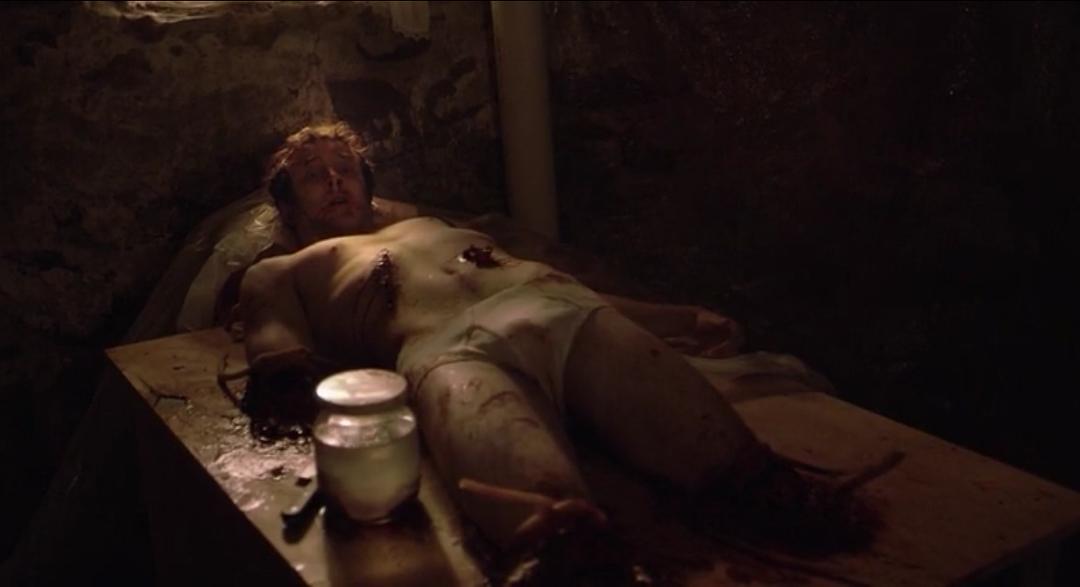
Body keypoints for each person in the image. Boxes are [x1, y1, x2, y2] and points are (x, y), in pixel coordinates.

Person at [235, 215, 879, 576]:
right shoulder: (283, 268)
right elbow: (279, 362)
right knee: (556, 534)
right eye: (314, 173)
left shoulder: (435, 223)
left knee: (745, 475)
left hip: (551, 302)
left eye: (345, 165)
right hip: (442, 344)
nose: (335, 179)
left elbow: (566, 282)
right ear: (284, 199)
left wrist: (676, 318)